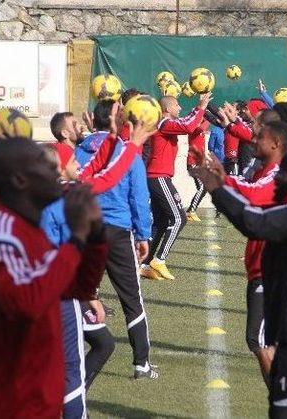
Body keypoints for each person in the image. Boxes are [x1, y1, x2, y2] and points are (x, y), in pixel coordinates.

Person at [0, 139, 107, 418]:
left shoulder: (29, 225)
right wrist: (76, 242)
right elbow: (28, 300)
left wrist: (94, 237)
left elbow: (76, 285)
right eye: (46, 168)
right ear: (21, 180)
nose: (54, 173)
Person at [193, 147, 287, 418]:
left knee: (285, 411)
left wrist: (218, 189)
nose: (277, 178)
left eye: (283, 173)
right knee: (284, 408)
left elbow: (256, 223)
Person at [193, 117, 287, 387]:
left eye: (261, 136)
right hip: (261, 266)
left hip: (272, 268)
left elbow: (254, 194)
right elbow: (248, 191)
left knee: (258, 339)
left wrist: (219, 180)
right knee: (266, 341)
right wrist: (220, 178)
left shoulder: (277, 173)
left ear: (276, 143)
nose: (255, 140)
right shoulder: (264, 170)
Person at [75, 99, 159, 380]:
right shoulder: (127, 153)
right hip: (117, 231)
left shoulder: (79, 151)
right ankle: (141, 363)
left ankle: (77, 350)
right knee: (131, 299)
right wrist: (143, 234)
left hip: (85, 230)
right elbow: (138, 197)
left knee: (84, 294)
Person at [40, 144, 115, 418]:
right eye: (72, 158)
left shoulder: (24, 199)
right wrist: (89, 295)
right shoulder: (66, 201)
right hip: (61, 294)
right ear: (59, 166)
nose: (78, 162)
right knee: (77, 363)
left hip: (31, 293)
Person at [140, 92, 212, 281]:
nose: (180, 108)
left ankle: (144, 263)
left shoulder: (165, 124)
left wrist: (199, 108)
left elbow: (188, 122)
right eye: (177, 105)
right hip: (158, 177)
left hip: (158, 177)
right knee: (179, 218)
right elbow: (187, 125)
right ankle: (160, 260)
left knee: (162, 221)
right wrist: (201, 107)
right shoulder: (163, 123)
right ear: (167, 109)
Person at [186, 119, 211, 222]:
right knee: (202, 187)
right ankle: (191, 211)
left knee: (203, 189)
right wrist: (209, 119)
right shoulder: (194, 129)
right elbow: (201, 127)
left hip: (199, 163)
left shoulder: (200, 131)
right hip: (193, 163)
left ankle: (190, 211)